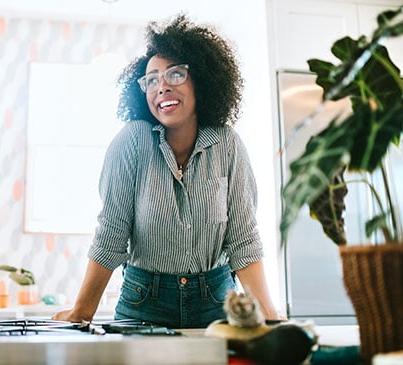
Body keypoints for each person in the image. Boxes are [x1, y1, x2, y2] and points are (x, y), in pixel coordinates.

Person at [52, 14, 280, 328]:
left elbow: (244, 242)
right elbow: (111, 234)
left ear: (200, 79)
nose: (162, 87)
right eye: (152, 80)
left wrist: (269, 317)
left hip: (217, 303)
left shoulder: (228, 145)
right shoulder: (132, 142)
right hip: (144, 303)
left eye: (175, 74)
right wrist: (81, 312)